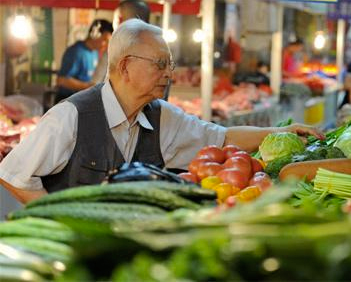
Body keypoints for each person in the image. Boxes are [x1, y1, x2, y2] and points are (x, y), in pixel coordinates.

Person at [0, 19, 324, 204]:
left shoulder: (160, 116)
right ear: (126, 66)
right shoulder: (70, 116)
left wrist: (279, 131)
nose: (169, 74)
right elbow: (12, 174)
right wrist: (54, 215)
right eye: (160, 64)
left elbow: (221, 138)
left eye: (169, 64)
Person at [92, 0, 151, 83]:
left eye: (114, 19)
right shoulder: (160, 50)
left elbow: (95, 83)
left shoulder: (115, 49)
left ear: (119, 20)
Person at [55, 19, 113, 103]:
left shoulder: (94, 52)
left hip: (80, 100)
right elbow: (61, 80)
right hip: (66, 101)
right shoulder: (76, 51)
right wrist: (89, 87)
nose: (106, 45)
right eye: (104, 40)